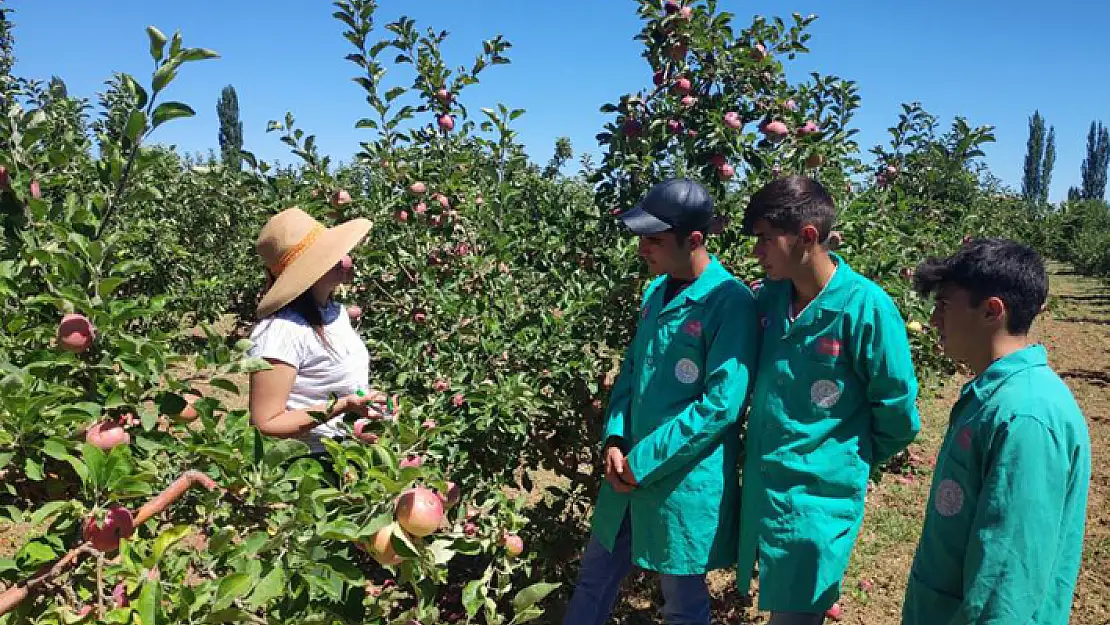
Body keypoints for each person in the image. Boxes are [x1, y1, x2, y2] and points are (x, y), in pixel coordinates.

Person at [561, 178, 760, 625]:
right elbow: (632, 369)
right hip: (624, 470)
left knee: (682, 603)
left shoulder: (730, 303)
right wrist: (614, 437)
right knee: (594, 579)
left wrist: (642, 460)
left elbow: (721, 406)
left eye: (654, 239)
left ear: (694, 240)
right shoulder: (656, 291)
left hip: (680, 481)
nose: (642, 249)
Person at [736, 176, 920, 624]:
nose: (756, 252)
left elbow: (897, 410)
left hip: (822, 498)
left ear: (808, 237)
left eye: (764, 240)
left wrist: (846, 459)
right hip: (766, 487)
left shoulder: (866, 309)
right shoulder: (769, 301)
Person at [902, 238, 1091, 625]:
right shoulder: (997, 398)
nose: (934, 320)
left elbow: (1006, 582)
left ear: (992, 311)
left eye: (944, 306)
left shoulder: (1025, 418)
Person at [246, 206, 389, 476]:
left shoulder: (335, 313)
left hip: (350, 454)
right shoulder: (281, 332)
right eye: (328, 253)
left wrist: (371, 404)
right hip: (307, 468)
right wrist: (342, 406)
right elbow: (266, 423)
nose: (343, 258)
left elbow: (346, 387)